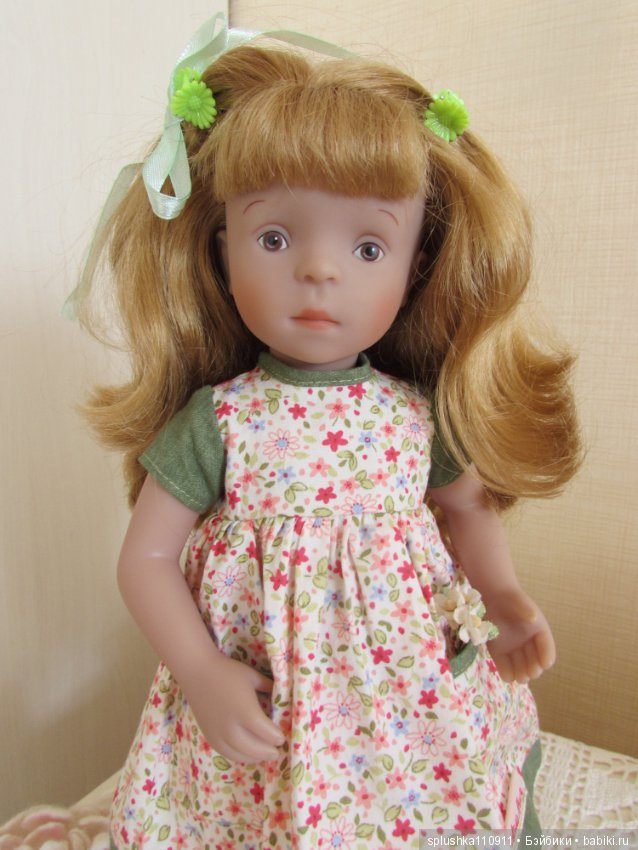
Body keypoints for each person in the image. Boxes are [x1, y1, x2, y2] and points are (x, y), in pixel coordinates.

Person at [76, 16, 581, 849]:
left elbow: (468, 508)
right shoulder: (222, 421)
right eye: (274, 237)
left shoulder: (414, 416)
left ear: (417, 264)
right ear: (223, 250)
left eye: (369, 246)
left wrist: (502, 596)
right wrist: (200, 671)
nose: (319, 269)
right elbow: (147, 559)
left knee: (428, 802)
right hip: (269, 701)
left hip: (405, 702)